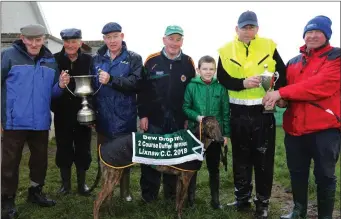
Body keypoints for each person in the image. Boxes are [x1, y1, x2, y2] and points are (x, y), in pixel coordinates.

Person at [262, 15, 340, 219]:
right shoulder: (293, 62)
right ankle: (298, 210)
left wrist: (281, 94)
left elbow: (319, 86)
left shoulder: (336, 57)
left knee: (325, 176)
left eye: (318, 32)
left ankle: (325, 216)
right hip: (294, 128)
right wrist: (280, 101)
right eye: (309, 32)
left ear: (327, 35)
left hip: (325, 129)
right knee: (297, 171)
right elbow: (287, 91)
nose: (312, 36)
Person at [217, 10, 286, 218]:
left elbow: (282, 73)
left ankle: (262, 204)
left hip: (263, 112)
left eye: (252, 27)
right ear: (236, 29)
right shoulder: (225, 50)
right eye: (244, 27)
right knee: (241, 158)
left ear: (257, 28)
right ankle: (242, 199)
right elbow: (222, 78)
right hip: (237, 113)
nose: (248, 31)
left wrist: (277, 93)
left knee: (264, 159)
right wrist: (242, 83)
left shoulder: (269, 45)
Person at [1, 24, 70, 219]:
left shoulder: (50, 61)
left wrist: (62, 86)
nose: (33, 43)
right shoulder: (8, 56)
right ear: (21, 38)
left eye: (37, 39)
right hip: (14, 121)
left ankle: (35, 192)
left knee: (40, 161)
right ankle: (6, 200)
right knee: (10, 163)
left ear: (43, 39)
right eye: (29, 39)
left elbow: (53, 93)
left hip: (40, 122)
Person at [137, 25, 196, 203]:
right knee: (151, 156)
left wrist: (186, 117)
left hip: (178, 120)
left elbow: (190, 93)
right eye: (171, 39)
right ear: (164, 40)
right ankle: (149, 196)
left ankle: (170, 196)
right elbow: (143, 90)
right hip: (154, 118)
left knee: (174, 156)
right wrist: (143, 115)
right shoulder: (151, 60)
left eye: (178, 39)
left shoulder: (188, 62)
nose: (174, 43)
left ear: (182, 41)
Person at [91, 22, 143, 202]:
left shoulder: (134, 58)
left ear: (122, 36)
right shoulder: (96, 59)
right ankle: (108, 190)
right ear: (104, 39)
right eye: (108, 37)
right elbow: (91, 88)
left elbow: (136, 83)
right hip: (103, 116)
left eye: (115, 36)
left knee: (124, 154)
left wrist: (112, 79)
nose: (112, 41)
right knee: (105, 155)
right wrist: (91, 112)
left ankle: (125, 190)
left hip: (125, 116)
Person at [183, 55, 230, 209]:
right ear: (198, 70)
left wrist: (225, 135)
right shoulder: (191, 86)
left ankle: (215, 201)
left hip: (215, 135)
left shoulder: (221, 88)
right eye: (205, 69)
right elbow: (185, 107)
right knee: (192, 168)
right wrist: (197, 117)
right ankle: (190, 201)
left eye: (211, 69)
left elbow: (225, 113)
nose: (208, 72)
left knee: (214, 168)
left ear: (215, 70)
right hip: (196, 134)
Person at [51, 28, 93, 196]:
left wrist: (91, 110)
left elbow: (94, 86)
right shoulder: (54, 60)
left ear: (80, 42)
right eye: (67, 41)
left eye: (74, 41)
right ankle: (65, 184)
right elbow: (50, 87)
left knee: (83, 148)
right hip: (62, 112)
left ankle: (82, 184)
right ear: (63, 42)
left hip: (83, 112)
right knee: (63, 148)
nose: (70, 45)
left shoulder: (89, 60)